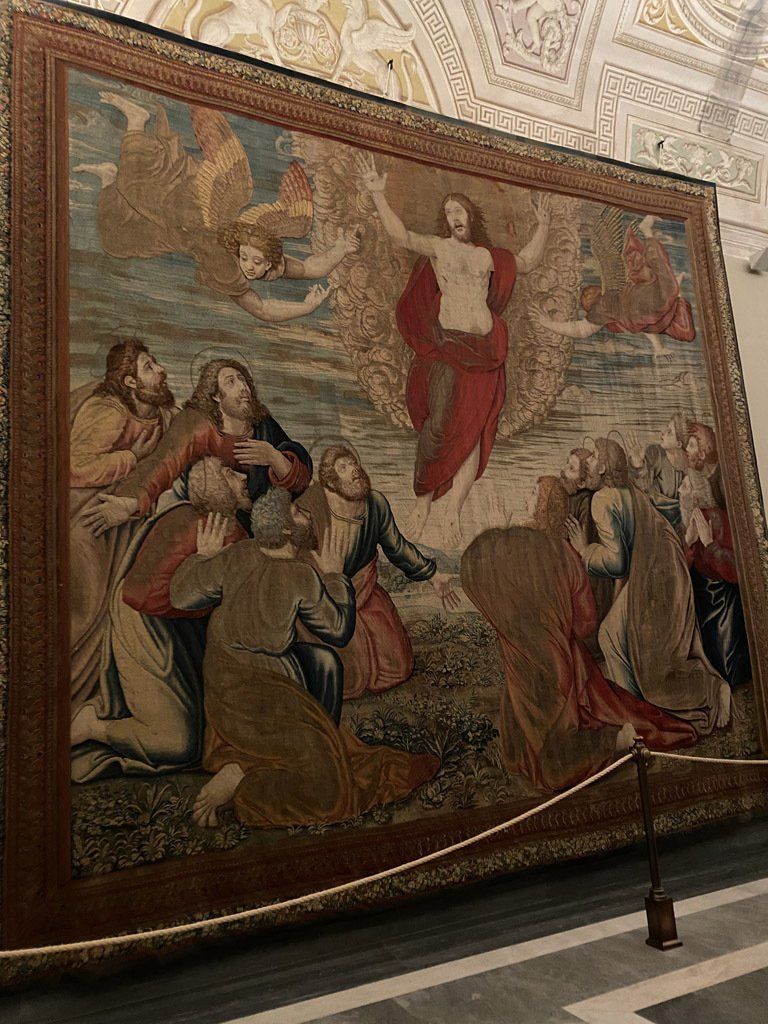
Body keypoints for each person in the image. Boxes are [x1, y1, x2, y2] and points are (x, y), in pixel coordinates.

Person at [169, 488, 439, 828]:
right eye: (298, 512)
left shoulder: (237, 554)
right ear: (285, 530)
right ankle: (242, 778)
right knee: (330, 790)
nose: (308, 515)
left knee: (323, 682)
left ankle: (254, 762)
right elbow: (338, 630)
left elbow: (182, 595)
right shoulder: (300, 575)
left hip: (223, 684)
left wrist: (202, 558)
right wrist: (335, 576)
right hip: (265, 691)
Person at [356, 151, 550, 546]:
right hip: (447, 351)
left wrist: (544, 224)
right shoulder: (438, 248)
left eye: (459, 210)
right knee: (439, 426)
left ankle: (453, 513)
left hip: (485, 354)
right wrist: (377, 194)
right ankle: (423, 504)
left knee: (474, 431)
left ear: (471, 216)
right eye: (448, 212)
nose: (454, 216)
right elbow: (401, 236)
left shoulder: (486, 257)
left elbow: (528, 261)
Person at [461, 475, 697, 793]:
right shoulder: (562, 552)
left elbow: (474, 570)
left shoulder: (507, 549)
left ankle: (612, 741)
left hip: (528, 662)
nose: (526, 498)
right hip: (562, 659)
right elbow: (586, 623)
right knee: (559, 725)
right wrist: (557, 625)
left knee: (550, 754)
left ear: (543, 506)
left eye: (533, 493)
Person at [75, 94, 360, 323]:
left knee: (117, 242)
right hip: (187, 208)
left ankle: (108, 177)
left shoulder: (267, 264)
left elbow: (310, 268)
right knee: (133, 187)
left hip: (180, 238)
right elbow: (262, 308)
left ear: (270, 262)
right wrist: (306, 306)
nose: (248, 266)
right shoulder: (228, 267)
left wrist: (342, 249)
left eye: (255, 262)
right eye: (246, 257)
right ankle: (137, 120)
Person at [70, 457, 251, 781]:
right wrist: (202, 568)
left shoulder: (232, 530)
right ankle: (94, 727)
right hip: (143, 625)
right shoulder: (195, 526)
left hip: (177, 630)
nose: (242, 477)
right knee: (178, 743)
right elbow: (144, 596)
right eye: (230, 473)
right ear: (217, 489)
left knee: (208, 734)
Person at [565, 438, 730, 734]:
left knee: (654, 670)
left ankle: (710, 690)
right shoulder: (625, 490)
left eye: (593, 456)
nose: (588, 460)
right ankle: (633, 712)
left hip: (657, 574)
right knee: (610, 635)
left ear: (602, 468)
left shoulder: (603, 500)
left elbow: (618, 563)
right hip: (660, 563)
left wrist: (584, 550)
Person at [81, 358, 311, 538]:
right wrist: (131, 501)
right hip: (212, 524)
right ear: (216, 395)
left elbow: (300, 481)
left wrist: (274, 457)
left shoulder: (262, 424)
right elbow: (163, 463)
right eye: (231, 382)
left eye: (243, 380)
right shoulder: (197, 424)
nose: (243, 388)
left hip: (263, 526)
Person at [298, 445, 459, 698]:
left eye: (353, 463)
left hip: (363, 589)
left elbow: (397, 547)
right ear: (330, 480)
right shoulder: (312, 504)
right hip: (323, 597)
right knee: (346, 669)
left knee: (398, 665)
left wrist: (431, 574)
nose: (354, 469)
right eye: (343, 467)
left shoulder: (375, 504)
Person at [70, 339, 176, 712]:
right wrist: (132, 457)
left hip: (129, 517)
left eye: (156, 363)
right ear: (130, 382)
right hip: (90, 518)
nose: (161, 370)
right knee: (90, 609)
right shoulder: (109, 412)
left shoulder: (162, 415)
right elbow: (74, 467)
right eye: (150, 366)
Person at [680, 474, 751, 690]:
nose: (679, 491)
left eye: (685, 486)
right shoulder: (690, 523)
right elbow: (682, 568)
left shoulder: (718, 519)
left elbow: (736, 570)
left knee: (726, 663)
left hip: (722, 604)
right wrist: (688, 542)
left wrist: (710, 543)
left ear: (696, 495)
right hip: (702, 600)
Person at [626, 413, 692, 527]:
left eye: (669, 432)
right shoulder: (655, 453)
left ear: (679, 444)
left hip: (679, 523)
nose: (663, 432)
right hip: (654, 519)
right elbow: (642, 489)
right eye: (666, 428)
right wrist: (638, 464)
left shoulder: (689, 466)